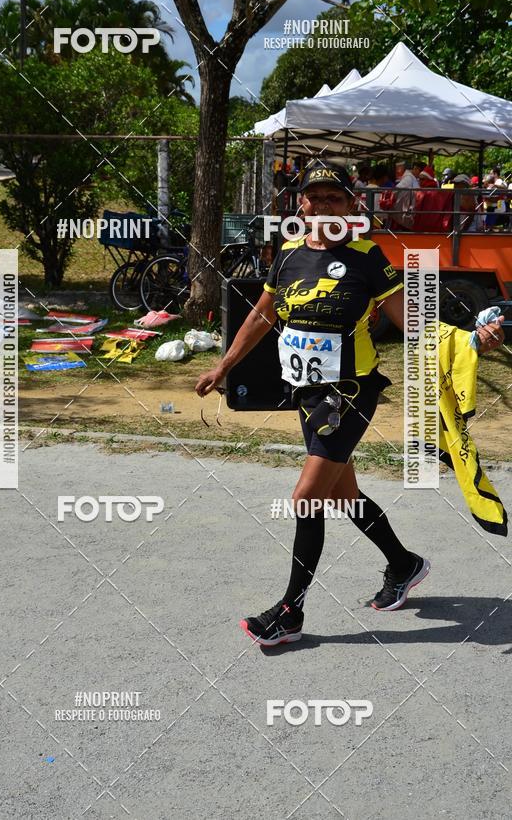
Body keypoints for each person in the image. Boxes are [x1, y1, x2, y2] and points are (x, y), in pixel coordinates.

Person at [195, 161, 505, 647]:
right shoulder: (289, 254)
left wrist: (468, 340)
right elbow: (263, 314)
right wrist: (225, 366)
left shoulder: (366, 257)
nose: (322, 206)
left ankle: (289, 611)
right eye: (314, 197)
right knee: (341, 494)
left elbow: (413, 321)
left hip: (350, 393)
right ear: (300, 204)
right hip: (307, 394)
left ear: (350, 206)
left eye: (333, 198)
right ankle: (404, 564)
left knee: (307, 498)